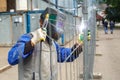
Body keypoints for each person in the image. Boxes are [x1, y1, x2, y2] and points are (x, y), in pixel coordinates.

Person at [8, 7, 82, 80]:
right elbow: (11, 58)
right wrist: (32, 42)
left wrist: (76, 49)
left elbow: (62, 54)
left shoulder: (53, 44)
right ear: (41, 22)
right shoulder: (29, 38)